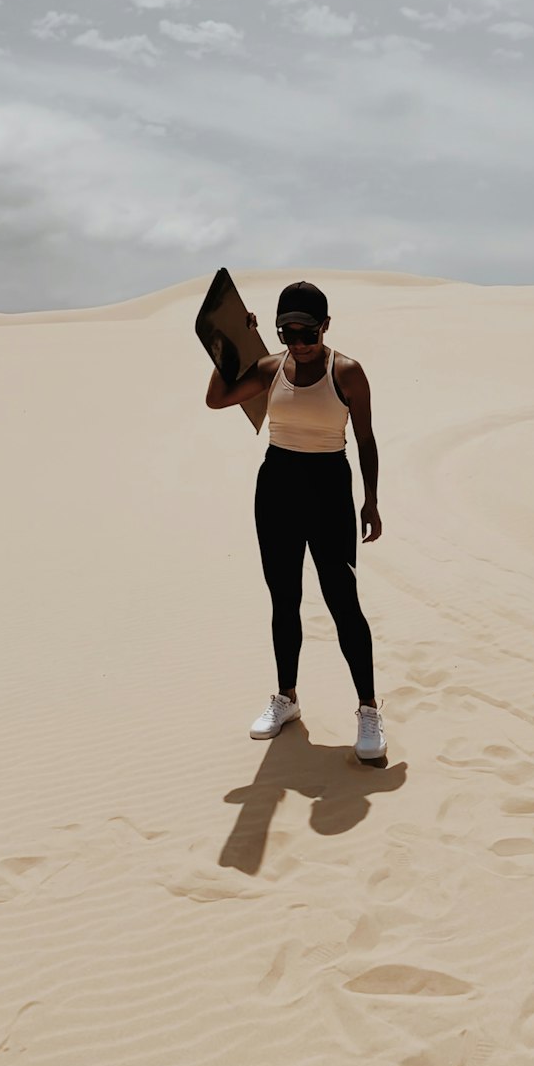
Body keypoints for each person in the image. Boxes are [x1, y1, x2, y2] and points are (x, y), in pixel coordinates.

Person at [206, 280, 386, 761]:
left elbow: (365, 440)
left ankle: (368, 709)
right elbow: (218, 398)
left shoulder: (346, 372)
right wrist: (229, 345)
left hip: (328, 486)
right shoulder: (270, 367)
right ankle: (287, 698)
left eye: (306, 333)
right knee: (283, 596)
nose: (298, 344)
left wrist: (370, 501)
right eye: (287, 333)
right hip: (277, 486)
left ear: (326, 326)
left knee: (341, 599)